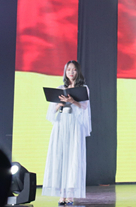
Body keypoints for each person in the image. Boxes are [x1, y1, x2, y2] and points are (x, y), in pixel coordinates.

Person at [43, 60, 91, 205]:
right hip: (61, 124)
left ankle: (70, 194)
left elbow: (84, 107)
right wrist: (60, 104)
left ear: (78, 72)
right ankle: (61, 194)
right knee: (60, 156)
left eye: (74, 70)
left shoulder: (83, 89)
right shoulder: (60, 88)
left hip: (74, 125)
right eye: (68, 69)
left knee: (73, 157)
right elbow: (51, 111)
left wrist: (73, 101)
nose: (71, 72)